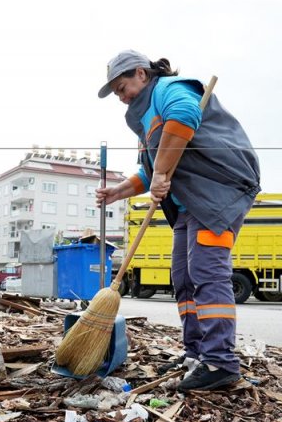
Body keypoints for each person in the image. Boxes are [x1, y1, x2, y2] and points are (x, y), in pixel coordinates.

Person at [95, 50, 261, 391]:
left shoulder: (169, 89)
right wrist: (119, 192)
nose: (120, 96)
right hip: (187, 201)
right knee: (183, 278)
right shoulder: (145, 117)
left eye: (121, 87)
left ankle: (220, 362)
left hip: (219, 189)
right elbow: (151, 169)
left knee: (207, 271)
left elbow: (185, 116)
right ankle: (196, 353)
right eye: (115, 93)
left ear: (141, 74)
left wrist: (159, 172)